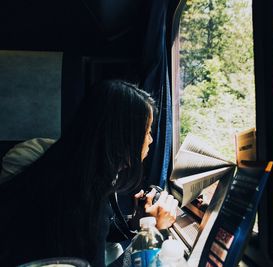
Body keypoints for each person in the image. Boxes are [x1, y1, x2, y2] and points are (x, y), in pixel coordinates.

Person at [0, 80, 178, 267]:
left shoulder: (64, 170)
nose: (150, 140)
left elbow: (89, 237)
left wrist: (135, 224)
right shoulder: (78, 195)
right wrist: (153, 231)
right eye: (147, 131)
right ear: (123, 136)